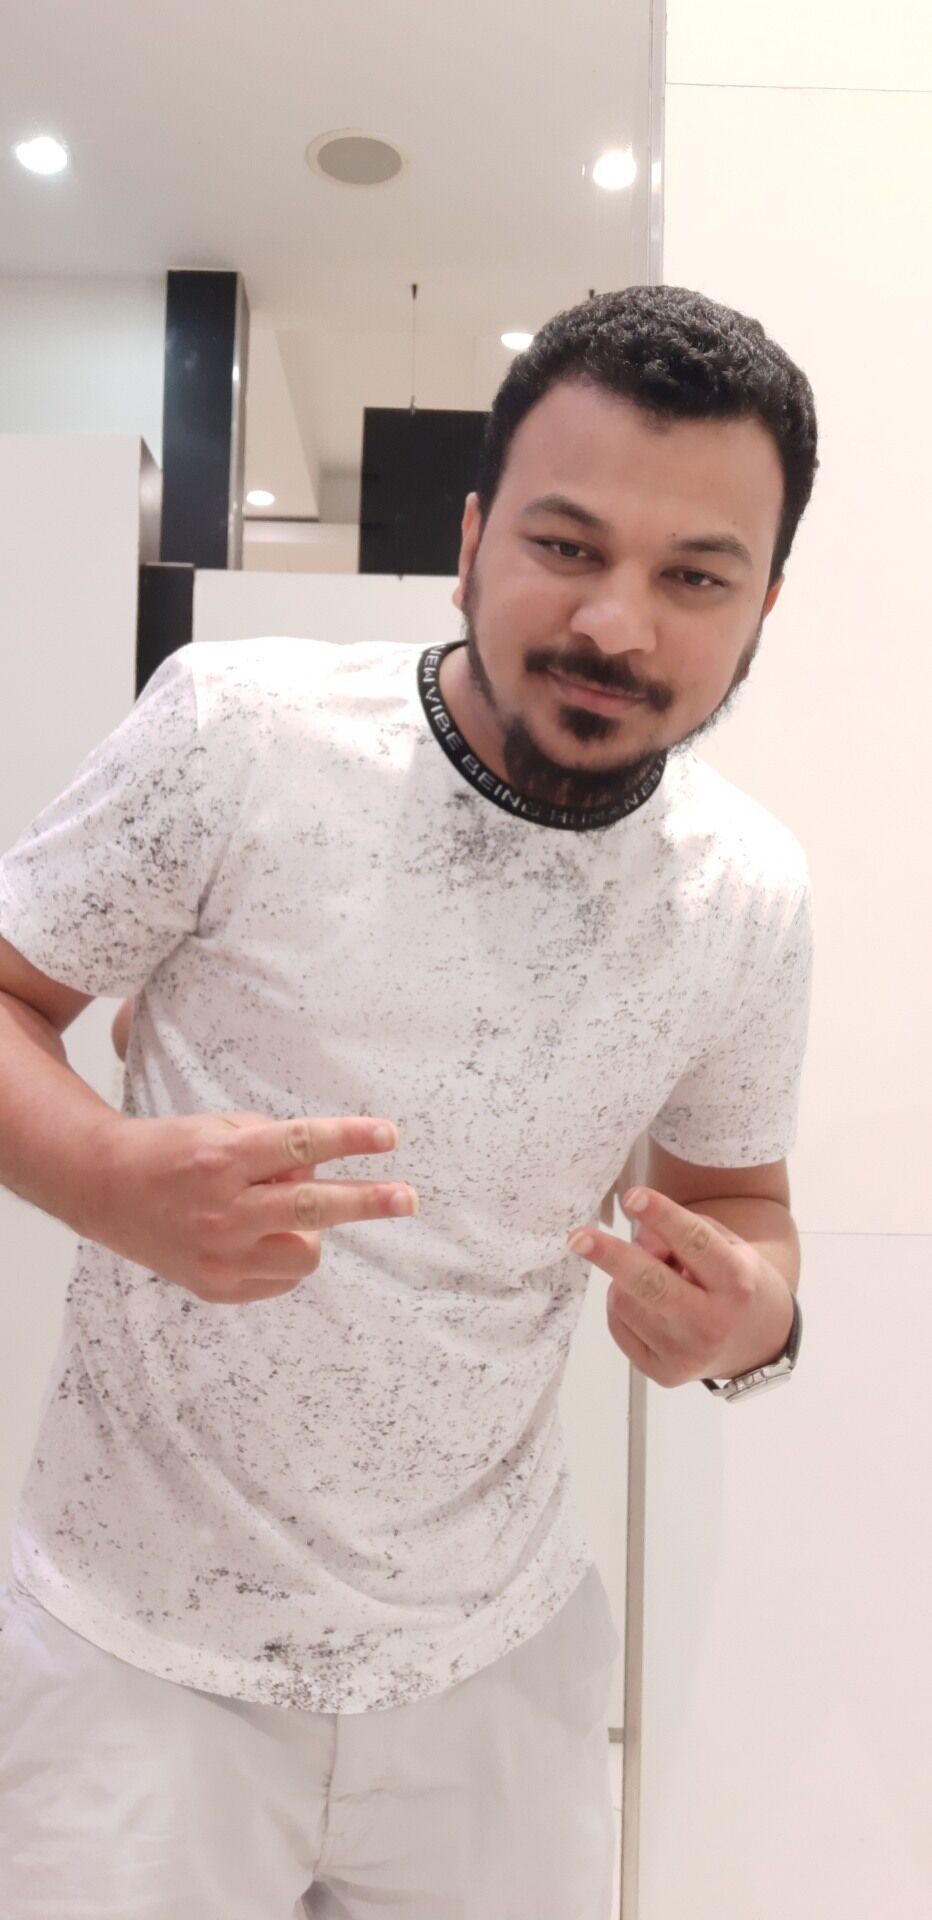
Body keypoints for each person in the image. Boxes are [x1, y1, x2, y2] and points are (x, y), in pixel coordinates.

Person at [0, 285, 818, 1919]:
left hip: (498, 1670)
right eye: (566, 545)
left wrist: (753, 1324)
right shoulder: (239, 733)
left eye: (695, 576)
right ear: (470, 539)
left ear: (762, 607)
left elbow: (743, 1205)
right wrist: (102, 1171)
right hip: (135, 1657)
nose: (617, 627)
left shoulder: (746, 893)